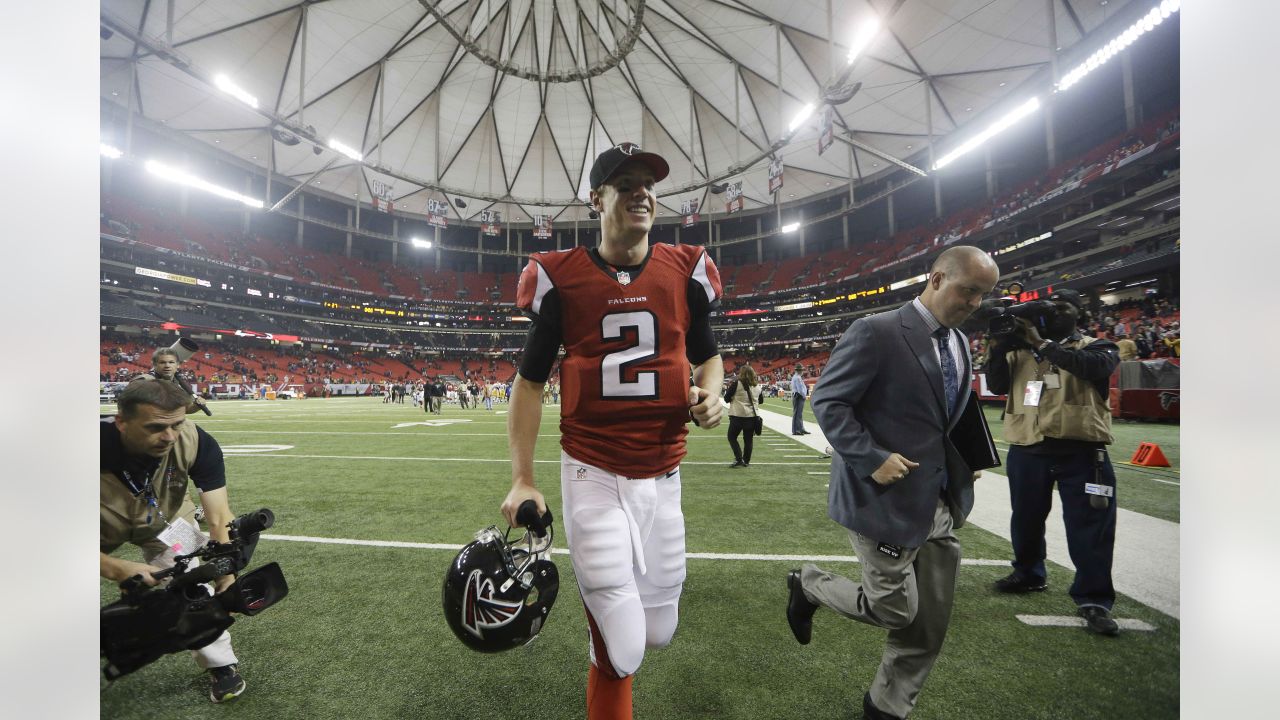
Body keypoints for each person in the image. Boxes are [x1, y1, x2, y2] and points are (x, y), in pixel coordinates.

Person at [501, 142, 724, 720]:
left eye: (647, 184)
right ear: (597, 199)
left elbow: (709, 358)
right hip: (593, 469)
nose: (641, 193)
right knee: (620, 648)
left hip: (665, 471)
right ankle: (605, 644)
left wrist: (712, 393)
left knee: (658, 632)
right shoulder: (560, 277)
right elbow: (527, 384)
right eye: (625, 184)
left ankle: (607, 630)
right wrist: (523, 478)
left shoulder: (685, 270)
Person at [785, 245, 999, 720]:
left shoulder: (960, 342)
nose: (975, 304)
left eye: (984, 296)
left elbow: (950, 414)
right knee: (895, 610)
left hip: (940, 499)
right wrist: (872, 457)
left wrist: (968, 459)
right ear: (937, 278)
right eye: (969, 291)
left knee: (929, 622)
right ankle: (810, 585)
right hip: (882, 497)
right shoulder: (876, 331)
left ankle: (887, 706)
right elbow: (831, 403)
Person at [984, 288, 1123, 636]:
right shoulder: (1018, 351)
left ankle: (1094, 599)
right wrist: (1001, 343)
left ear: (1079, 314)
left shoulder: (1097, 346)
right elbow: (998, 384)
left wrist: (1043, 345)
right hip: (1028, 446)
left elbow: (1091, 368)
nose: (1053, 313)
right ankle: (1028, 573)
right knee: (1026, 519)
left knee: (1090, 527)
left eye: (1062, 308)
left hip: (1083, 449)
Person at [100, 379, 247, 703]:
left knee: (193, 588)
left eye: (176, 425)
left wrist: (225, 570)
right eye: (155, 427)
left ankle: (221, 665)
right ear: (122, 422)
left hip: (164, 520)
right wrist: (113, 567)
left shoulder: (196, 440)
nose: (169, 436)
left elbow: (219, 515)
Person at [142, 347, 208, 414]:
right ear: (154, 365)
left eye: (171, 362)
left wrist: (196, 406)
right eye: (162, 362)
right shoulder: (145, 381)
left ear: (178, 365)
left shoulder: (177, 382)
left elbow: (183, 410)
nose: (167, 365)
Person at [725, 364, 762, 467]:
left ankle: (738, 459)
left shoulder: (737, 384)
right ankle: (746, 461)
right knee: (748, 440)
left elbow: (726, 398)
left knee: (732, 436)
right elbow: (761, 401)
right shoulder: (757, 386)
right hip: (751, 417)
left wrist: (735, 398)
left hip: (737, 415)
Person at [789, 364, 809, 435]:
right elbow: (800, 389)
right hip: (798, 396)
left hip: (798, 395)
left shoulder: (797, 377)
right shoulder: (797, 378)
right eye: (802, 370)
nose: (802, 371)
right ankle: (796, 430)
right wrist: (804, 395)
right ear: (799, 370)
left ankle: (800, 428)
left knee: (799, 413)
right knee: (797, 413)